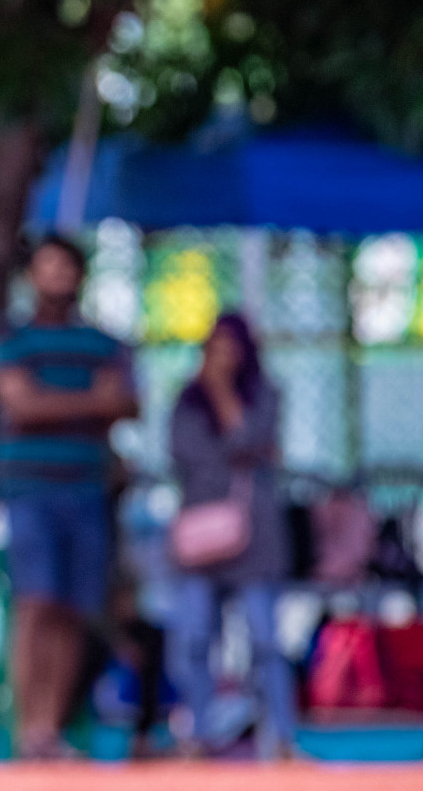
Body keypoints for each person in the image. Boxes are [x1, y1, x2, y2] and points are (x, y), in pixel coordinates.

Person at [0, 234, 138, 759]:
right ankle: (29, 729)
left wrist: (50, 400)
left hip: (87, 491)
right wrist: (90, 401)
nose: (56, 276)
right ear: (31, 276)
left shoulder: (104, 341)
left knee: (75, 607)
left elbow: (126, 402)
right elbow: (20, 407)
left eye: (65, 266)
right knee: (37, 603)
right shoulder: (11, 339)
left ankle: (50, 729)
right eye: (45, 266)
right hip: (29, 493)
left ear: (80, 275)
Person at [167, 313, 296, 758]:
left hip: (254, 537)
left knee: (265, 641)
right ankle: (197, 734)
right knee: (195, 638)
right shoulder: (185, 401)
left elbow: (247, 437)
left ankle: (280, 738)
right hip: (200, 538)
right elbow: (190, 455)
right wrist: (242, 448)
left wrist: (224, 394)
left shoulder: (266, 394)